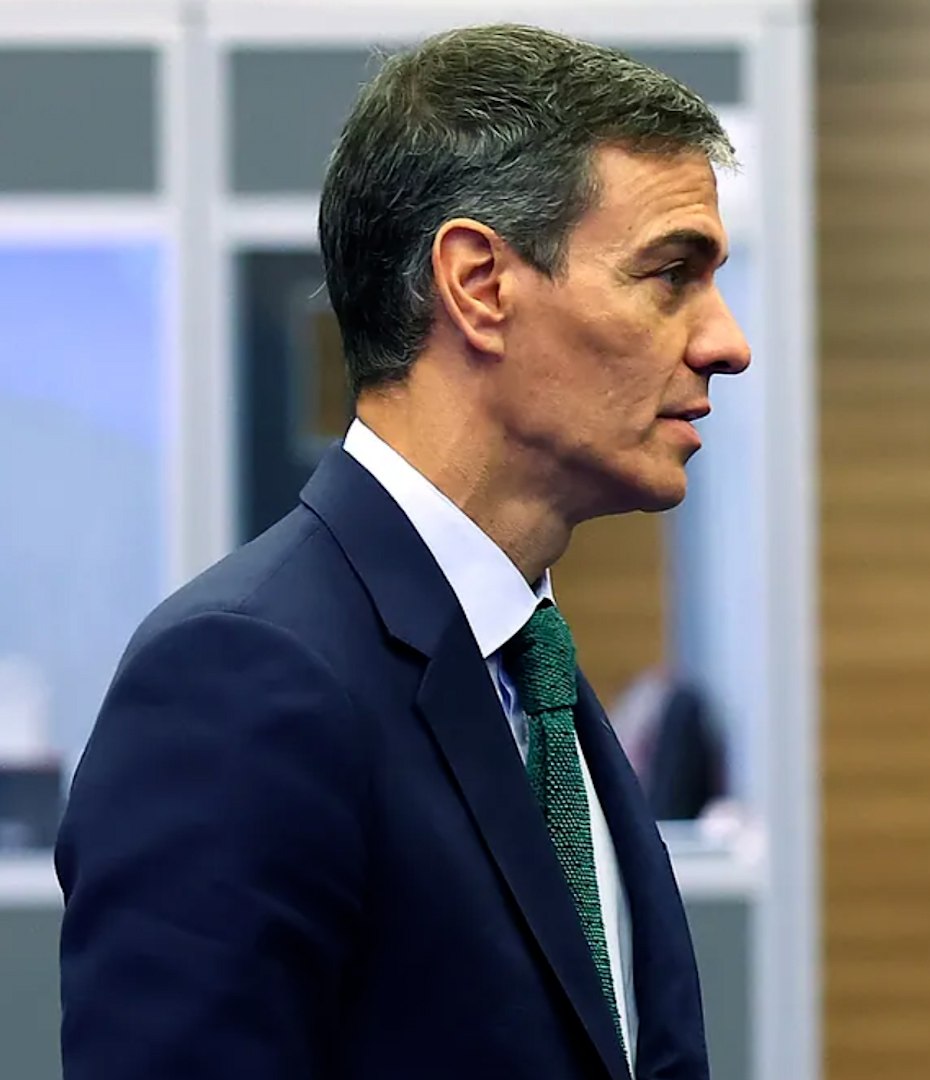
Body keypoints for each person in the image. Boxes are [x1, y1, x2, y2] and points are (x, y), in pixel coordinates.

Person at [57, 24, 749, 1080]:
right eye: (670, 275)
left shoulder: (532, 671)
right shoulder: (242, 678)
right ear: (478, 284)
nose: (726, 342)